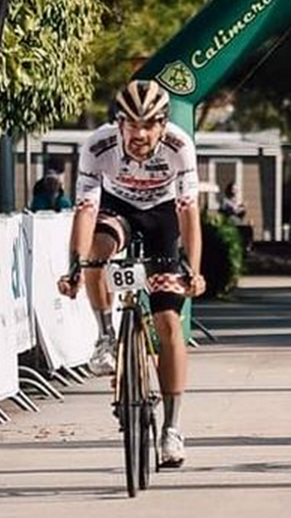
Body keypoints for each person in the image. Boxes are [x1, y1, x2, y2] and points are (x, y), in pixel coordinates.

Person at [57, 79, 206, 468]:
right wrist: (75, 265)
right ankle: (106, 336)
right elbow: (86, 210)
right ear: (119, 123)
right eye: (131, 124)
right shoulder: (98, 145)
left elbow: (188, 210)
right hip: (116, 207)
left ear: (163, 125)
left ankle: (172, 430)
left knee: (168, 322)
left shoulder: (179, 146)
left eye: (149, 124)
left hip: (162, 216)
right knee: (96, 253)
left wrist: (194, 267)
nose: (139, 133)